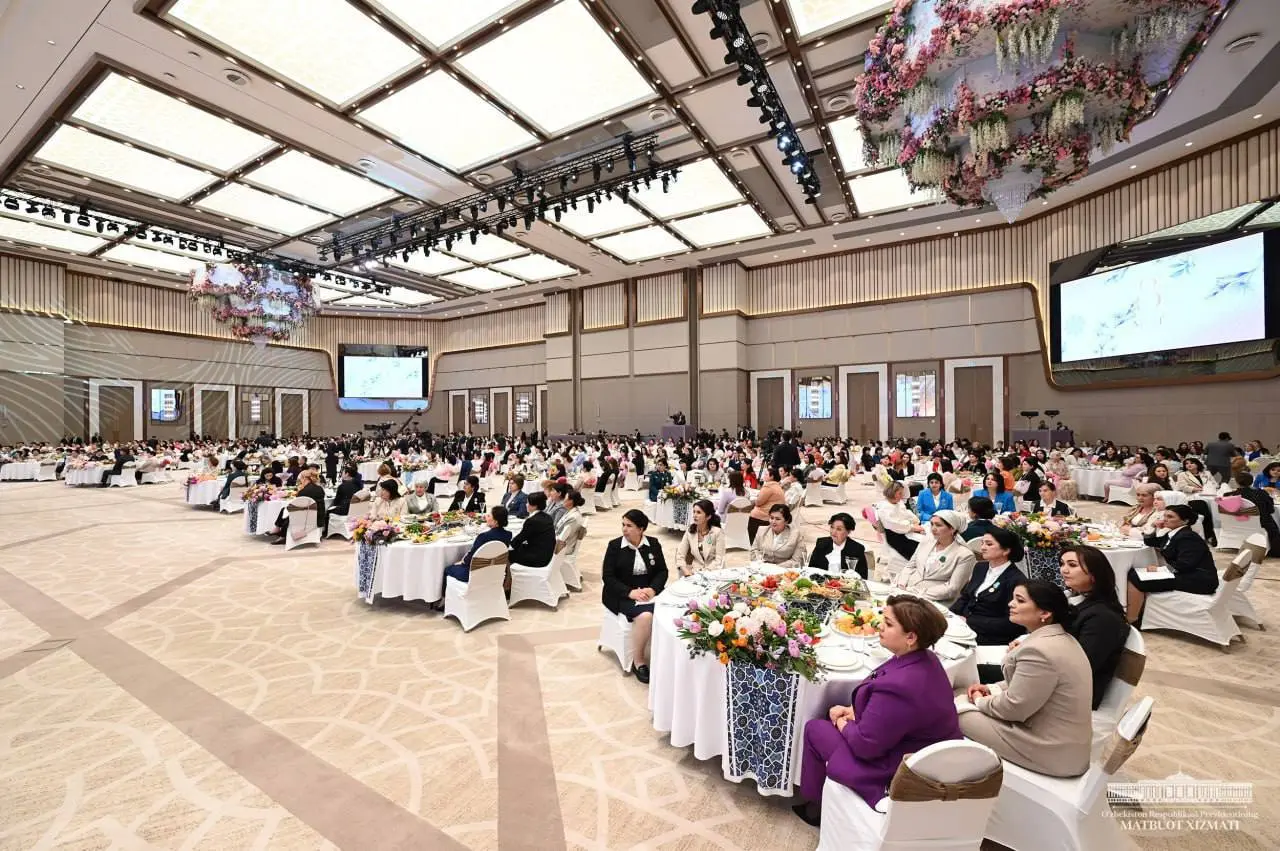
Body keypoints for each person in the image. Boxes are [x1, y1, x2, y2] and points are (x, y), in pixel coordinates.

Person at [792, 596, 962, 826]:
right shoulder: (926, 659)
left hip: (897, 769)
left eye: (889, 624)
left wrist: (842, 722)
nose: (880, 626)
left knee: (816, 728)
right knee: (831, 717)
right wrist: (853, 712)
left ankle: (818, 806)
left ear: (911, 637)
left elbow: (865, 746)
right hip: (927, 754)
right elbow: (892, 716)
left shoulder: (900, 687)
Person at [958, 580, 1093, 777]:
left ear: (1044, 613)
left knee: (953, 710)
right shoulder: (1061, 638)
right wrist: (993, 689)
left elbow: (1013, 708)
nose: (1011, 604)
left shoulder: (1040, 651)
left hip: (1048, 749)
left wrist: (979, 700)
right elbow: (1029, 684)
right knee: (962, 699)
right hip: (1061, 741)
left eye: (1020, 600)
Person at [601, 509, 669, 684]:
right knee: (645, 616)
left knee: (671, 609)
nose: (624, 529)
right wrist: (630, 593)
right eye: (623, 525)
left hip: (648, 592)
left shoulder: (653, 544)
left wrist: (652, 589)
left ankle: (665, 654)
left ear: (641, 529)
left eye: (629, 526)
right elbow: (608, 577)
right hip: (621, 594)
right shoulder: (615, 546)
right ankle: (639, 661)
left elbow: (662, 571)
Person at [1059, 546, 1129, 710]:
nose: (1064, 570)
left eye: (1072, 565)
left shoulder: (1102, 618)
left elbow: (1082, 666)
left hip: (1074, 698)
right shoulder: (1078, 601)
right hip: (1060, 680)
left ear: (1094, 574)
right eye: (1062, 564)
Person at [1126, 504, 1220, 623]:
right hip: (1188, 575)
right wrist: (1153, 526)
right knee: (1134, 573)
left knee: (1136, 578)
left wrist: (1159, 570)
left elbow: (1185, 565)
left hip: (1198, 580)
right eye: (1165, 516)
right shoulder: (1175, 533)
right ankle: (1137, 611)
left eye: (1170, 517)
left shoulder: (1188, 537)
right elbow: (1150, 541)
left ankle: (1132, 619)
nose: (1165, 519)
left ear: (1185, 521)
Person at [950, 527, 1027, 646]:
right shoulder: (980, 567)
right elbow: (966, 597)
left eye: (989, 544)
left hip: (990, 637)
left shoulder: (1016, 580)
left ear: (1006, 550)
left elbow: (1012, 623)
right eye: (982, 543)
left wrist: (969, 622)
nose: (983, 548)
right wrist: (950, 615)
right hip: (963, 628)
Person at [892, 510, 977, 603]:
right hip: (907, 590)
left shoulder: (965, 555)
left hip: (934, 599)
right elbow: (910, 566)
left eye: (938, 525)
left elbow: (953, 588)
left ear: (952, 529)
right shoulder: (927, 541)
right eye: (932, 524)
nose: (933, 529)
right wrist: (901, 584)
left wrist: (918, 594)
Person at [440, 505, 513, 597]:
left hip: (475, 574)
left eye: (489, 516)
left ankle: (445, 600)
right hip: (494, 573)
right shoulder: (508, 535)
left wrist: (462, 562)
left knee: (447, 569)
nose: (486, 516)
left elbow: (472, 557)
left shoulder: (483, 536)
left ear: (495, 521)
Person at [269, 468, 327, 545]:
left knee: (287, 511)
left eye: (300, 479)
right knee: (286, 510)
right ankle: (278, 530)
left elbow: (297, 505)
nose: (300, 481)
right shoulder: (320, 488)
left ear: (304, 479)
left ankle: (281, 534)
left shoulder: (303, 491)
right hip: (318, 516)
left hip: (307, 518)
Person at [808, 512, 869, 578]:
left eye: (839, 529)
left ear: (848, 532)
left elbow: (863, 577)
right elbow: (811, 569)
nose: (833, 532)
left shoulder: (857, 549)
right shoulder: (821, 543)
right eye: (832, 527)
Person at [676, 499, 725, 575]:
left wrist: (704, 572)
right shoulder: (690, 531)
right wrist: (685, 571)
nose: (694, 515)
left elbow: (719, 559)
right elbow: (680, 554)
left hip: (714, 571)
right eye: (694, 512)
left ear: (708, 516)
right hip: (695, 571)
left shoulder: (717, 532)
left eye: (698, 512)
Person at [876, 481, 923, 561]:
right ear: (892, 493)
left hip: (905, 529)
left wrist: (916, 522)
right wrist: (913, 527)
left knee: (926, 543)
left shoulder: (898, 502)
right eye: (900, 493)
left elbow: (907, 513)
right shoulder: (884, 509)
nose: (902, 496)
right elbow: (895, 525)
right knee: (919, 551)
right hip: (896, 536)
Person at [750, 504, 807, 569]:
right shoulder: (762, 530)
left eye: (778, 519)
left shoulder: (796, 535)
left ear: (786, 521)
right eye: (771, 518)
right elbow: (753, 552)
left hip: (785, 570)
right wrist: (763, 565)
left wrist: (776, 567)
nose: (773, 522)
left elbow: (797, 560)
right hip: (763, 568)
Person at [509, 491, 555, 568]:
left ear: (534, 506)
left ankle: (507, 574)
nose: (526, 504)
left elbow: (520, 538)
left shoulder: (532, 521)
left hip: (537, 558)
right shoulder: (547, 517)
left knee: (507, 553)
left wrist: (509, 544)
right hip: (546, 554)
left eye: (528, 503)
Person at [747, 466, 786, 544]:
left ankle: (753, 543)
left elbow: (758, 502)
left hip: (765, 516)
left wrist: (754, 501)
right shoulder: (777, 486)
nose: (764, 476)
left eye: (766, 474)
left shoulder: (768, 487)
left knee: (750, 510)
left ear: (772, 477)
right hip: (774, 513)